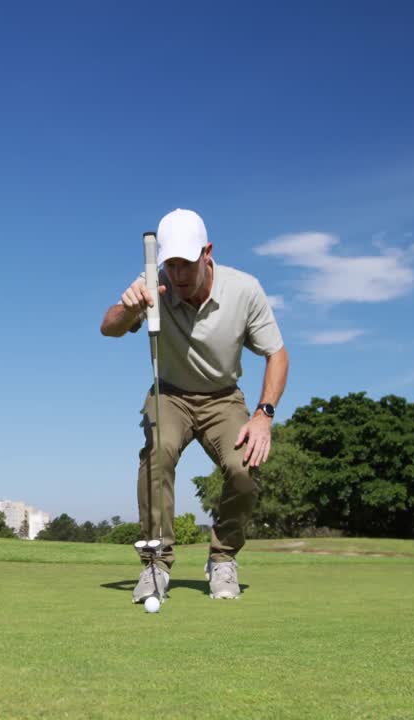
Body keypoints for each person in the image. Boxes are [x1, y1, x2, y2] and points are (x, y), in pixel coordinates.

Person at [100, 208, 289, 601]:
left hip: (223, 397)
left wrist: (263, 415)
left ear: (207, 252)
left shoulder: (244, 289)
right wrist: (130, 307)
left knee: (243, 468)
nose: (179, 275)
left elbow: (277, 354)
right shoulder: (154, 281)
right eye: (171, 265)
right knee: (158, 453)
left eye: (186, 264)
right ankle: (156, 565)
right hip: (168, 393)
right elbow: (110, 328)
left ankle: (222, 559)